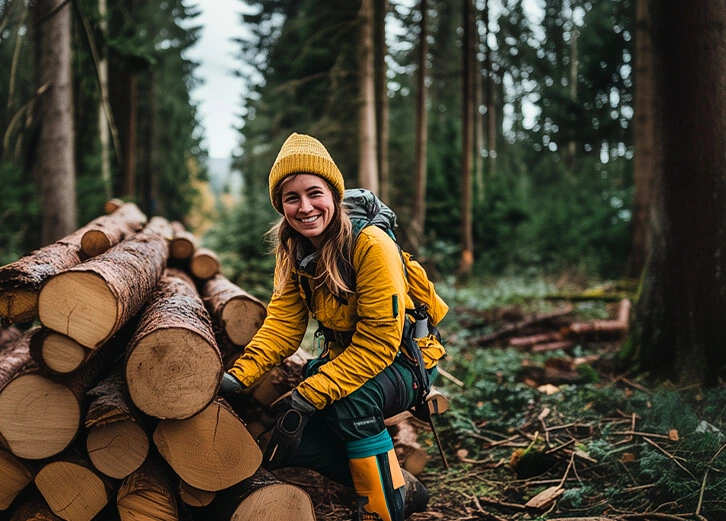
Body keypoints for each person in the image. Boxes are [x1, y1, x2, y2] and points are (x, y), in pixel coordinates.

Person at [219, 132, 448, 521]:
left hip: (407, 361)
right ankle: (402, 488)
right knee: (294, 438)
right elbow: (283, 326)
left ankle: (381, 511)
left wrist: (313, 391)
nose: (305, 207)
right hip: (353, 358)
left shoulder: (371, 246)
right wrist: (237, 378)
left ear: (334, 196)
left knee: (348, 402)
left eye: (314, 193)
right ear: (281, 206)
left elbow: (379, 344)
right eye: (292, 198)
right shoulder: (294, 250)